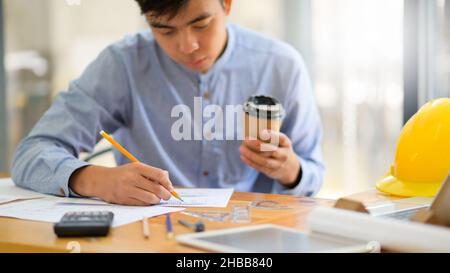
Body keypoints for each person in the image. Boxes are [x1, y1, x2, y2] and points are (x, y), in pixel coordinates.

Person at [11, 0, 325, 206]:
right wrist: (97, 179)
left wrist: (291, 171)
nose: (187, 46)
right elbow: (31, 153)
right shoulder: (123, 65)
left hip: (252, 236)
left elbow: (313, 173)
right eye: (164, 29)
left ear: (227, 4)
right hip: (152, 234)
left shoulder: (281, 65)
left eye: (201, 24)